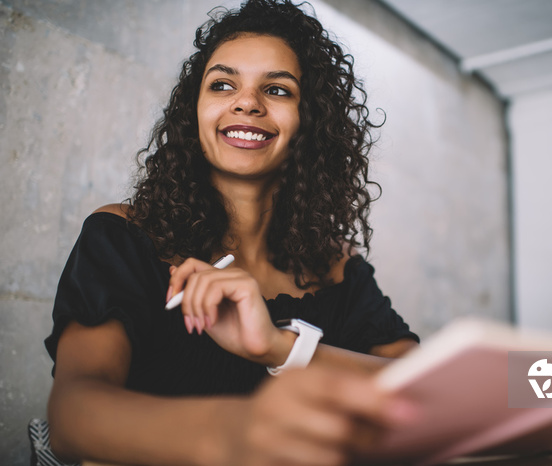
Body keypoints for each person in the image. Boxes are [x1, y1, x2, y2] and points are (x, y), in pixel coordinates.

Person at [44, 0, 420, 465]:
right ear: (194, 111)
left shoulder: (339, 269)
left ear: (310, 121)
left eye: (278, 90)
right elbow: (72, 418)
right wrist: (241, 432)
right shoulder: (125, 236)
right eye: (222, 84)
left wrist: (279, 347)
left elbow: (426, 391)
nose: (247, 102)